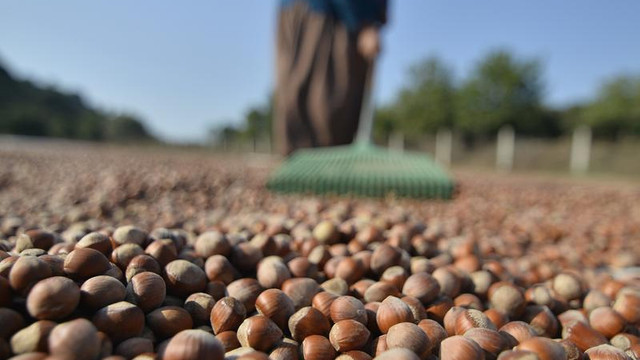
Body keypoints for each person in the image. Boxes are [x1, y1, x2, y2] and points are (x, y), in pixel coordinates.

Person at [274, 0, 388, 156]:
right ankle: (315, 172)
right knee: (328, 99)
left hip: (318, 12)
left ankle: (307, 166)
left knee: (304, 92)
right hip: (330, 14)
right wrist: (364, 21)